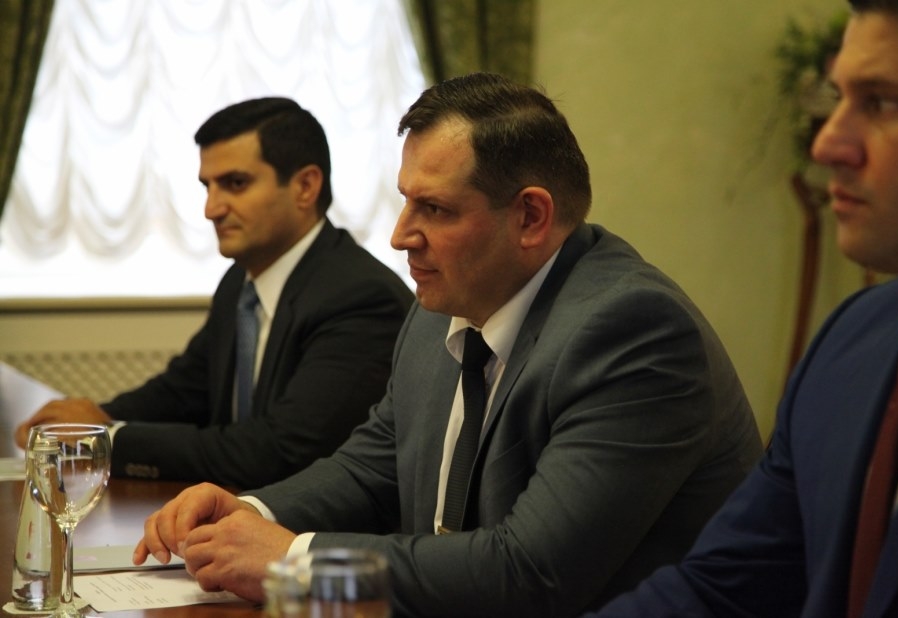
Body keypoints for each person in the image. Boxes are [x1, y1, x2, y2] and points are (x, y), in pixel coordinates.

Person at [133, 73, 762, 617]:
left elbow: (529, 572)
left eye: (434, 209)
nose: (401, 235)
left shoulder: (633, 331)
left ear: (531, 217)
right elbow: (374, 466)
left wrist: (294, 558)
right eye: (406, 201)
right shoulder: (443, 306)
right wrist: (251, 513)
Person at [586, 1, 898, 616]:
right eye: (838, 96)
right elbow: (723, 592)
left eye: (880, 102)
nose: (827, 143)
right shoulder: (851, 343)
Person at [15, 97, 414, 490]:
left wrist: (110, 438)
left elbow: (278, 451)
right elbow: (184, 391)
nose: (211, 209)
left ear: (305, 187)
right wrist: (90, 420)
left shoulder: (360, 298)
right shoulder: (240, 282)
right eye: (208, 186)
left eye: (235, 184)